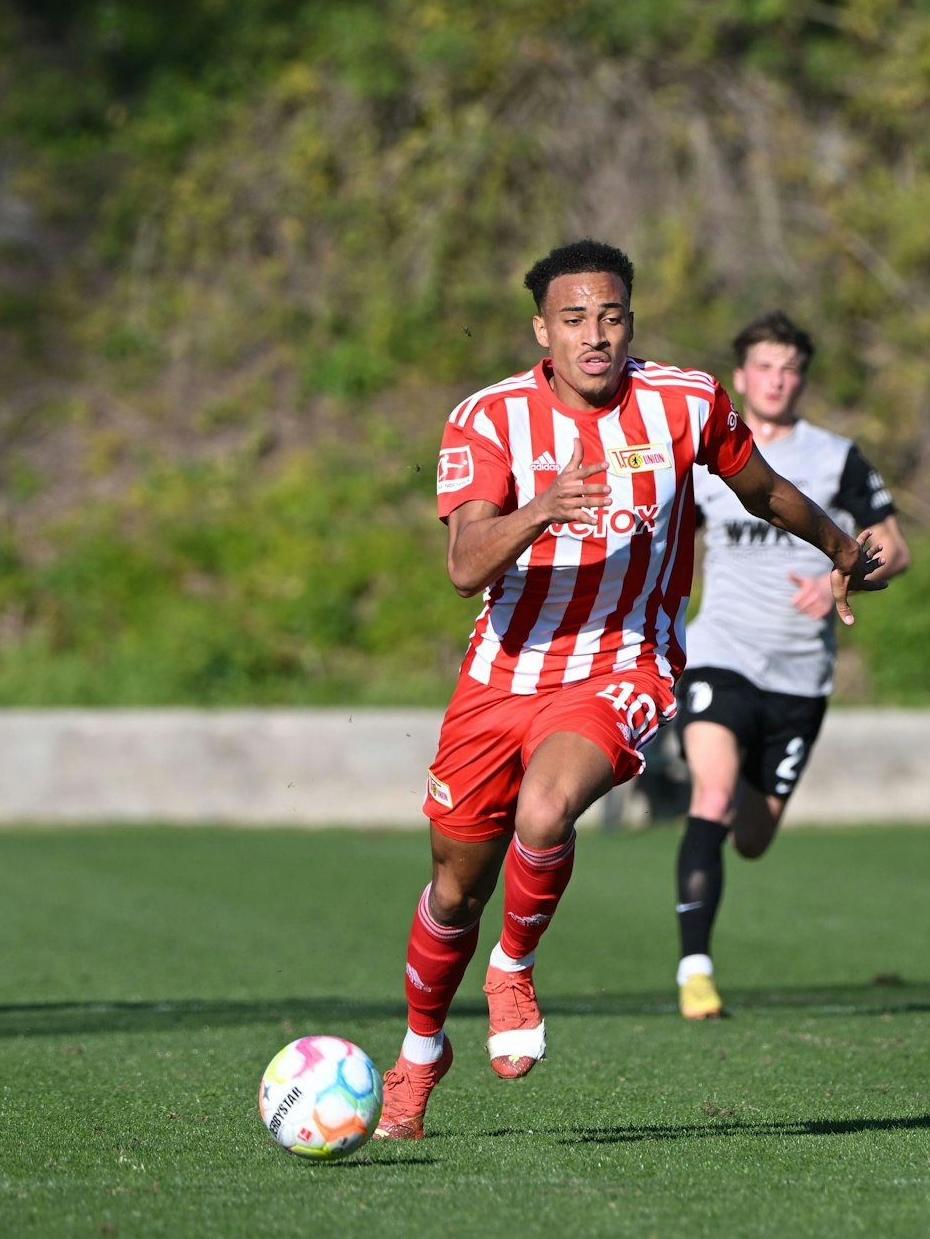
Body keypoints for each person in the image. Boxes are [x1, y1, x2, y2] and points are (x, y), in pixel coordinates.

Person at [373, 241, 885, 1140]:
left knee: (546, 811)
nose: (595, 335)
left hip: (624, 662)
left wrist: (845, 551)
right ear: (544, 330)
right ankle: (418, 1057)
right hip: (501, 672)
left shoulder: (685, 402)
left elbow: (761, 490)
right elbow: (463, 565)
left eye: (611, 316)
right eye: (574, 320)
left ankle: (514, 966)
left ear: (631, 322)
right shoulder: (488, 420)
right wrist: (539, 508)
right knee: (454, 889)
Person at [669, 313, 911, 1020]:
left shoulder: (836, 457)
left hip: (801, 677)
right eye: (764, 367)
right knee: (710, 795)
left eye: (790, 368)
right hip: (720, 654)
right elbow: (668, 539)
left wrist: (847, 572)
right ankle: (695, 970)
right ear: (741, 376)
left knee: (750, 838)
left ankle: (734, 800)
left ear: (801, 377)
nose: (777, 379)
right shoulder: (710, 453)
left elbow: (894, 545)